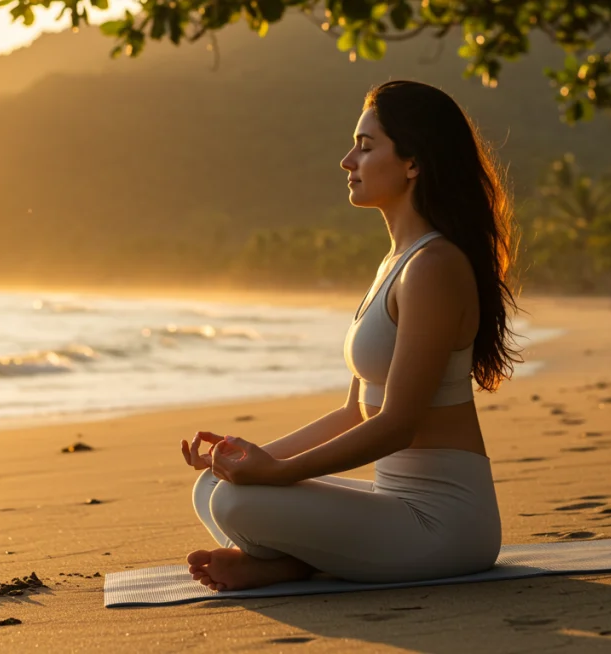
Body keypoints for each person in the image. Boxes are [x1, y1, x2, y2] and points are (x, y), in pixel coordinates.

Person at [179, 80, 520, 591]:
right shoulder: (397, 262)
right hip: (394, 505)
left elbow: (396, 426)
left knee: (234, 501)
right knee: (213, 485)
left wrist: (276, 474)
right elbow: (354, 413)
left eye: (365, 146)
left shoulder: (433, 267)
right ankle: (292, 564)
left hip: (445, 525)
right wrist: (249, 459)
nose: (347, 161)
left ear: (413, 163)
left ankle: (292, 564)